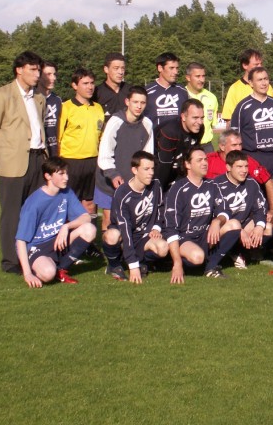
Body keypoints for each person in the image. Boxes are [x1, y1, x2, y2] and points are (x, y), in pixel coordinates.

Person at [0, 51, 47, 273]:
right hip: (13, 162)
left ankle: (32, 254)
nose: (37, 74)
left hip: (38, 160)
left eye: (38, 69)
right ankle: (11, 261)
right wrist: (2, 157)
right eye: (32, 69)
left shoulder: (39, 97)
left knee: (35, 210)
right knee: (12, 213)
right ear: (18, 70)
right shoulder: (1, 95)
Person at [15, 157, 97, 287]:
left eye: (66, 173)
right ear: (48, 176)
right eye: (61, 174)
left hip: (57, 241)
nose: (66, 178)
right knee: (48, 274)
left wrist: (66, 226)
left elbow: (86, 217)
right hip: (37, 247)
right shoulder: (34, 203)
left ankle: (61, 269)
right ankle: (46, 266)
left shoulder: (67, 192)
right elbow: (20, 240)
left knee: (90, 229)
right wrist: (27, 274)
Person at [212, 150, 273, 273]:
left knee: (268, 227)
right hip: (225, 227)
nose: (244, 170)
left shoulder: (251, 183)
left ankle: (248, 252)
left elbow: (260, 209)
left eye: (246, 166)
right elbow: (216, 216)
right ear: (228, 167)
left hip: (244, 224)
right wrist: (238, 231)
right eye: (239, 167)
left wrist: (259, 227)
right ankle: (230, 252)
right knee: (233, 226)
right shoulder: (216, 184)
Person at [163, 147, 233, 282]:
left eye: (205, 159)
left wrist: (217, 221)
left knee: (233, 225)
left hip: (205, 235)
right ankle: (177, 260)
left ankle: (211, 265)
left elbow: (225, 211)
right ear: (188, 164)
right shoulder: (178, 189)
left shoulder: (212, 184)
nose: (205, 163)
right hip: (185, 238)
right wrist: (177, 263)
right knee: (197, 257)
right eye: (199, 160)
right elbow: (171, 227)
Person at [101, 151, 168, 283]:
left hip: (143, 236)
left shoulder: (156, 185)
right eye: (146, 169)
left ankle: (142, 262)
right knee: (112, 235)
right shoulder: (122, 193)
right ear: (134, 170)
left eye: (152, 168)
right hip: (124, 235)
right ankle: (114, 265)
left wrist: (156, 227)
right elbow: (125, 229)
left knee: (163, 248)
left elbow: (161, 208)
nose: (151, 173)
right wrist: (133, 267)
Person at [96, 85, 154, 235]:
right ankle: (110, 255)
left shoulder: (147, 124)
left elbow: (148, 156)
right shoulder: (115, 121)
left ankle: (127, 253)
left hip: (131, 181)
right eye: (135, 102)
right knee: (109, 219)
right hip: (109, 179)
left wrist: (142, 177)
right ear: (127, 101)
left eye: (142, 103)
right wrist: (113, 174)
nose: (139, 106)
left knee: (130, 218)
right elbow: (104, 153)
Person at [57, 67, 104, 216]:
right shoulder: (65, 108)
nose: (90, 87)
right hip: (71, 162)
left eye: (92, 83)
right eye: (85, 83)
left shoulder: (98, 108)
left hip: (92, 162)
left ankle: (87, 239)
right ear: (75, 85)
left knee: (90, 204)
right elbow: (58, 138)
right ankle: (66, 237)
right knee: (69, 202)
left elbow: (101, 136)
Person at [231, 66, 273, 178]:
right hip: (254, 157)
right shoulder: (242, 106)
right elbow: (235, 134)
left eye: (266, 79)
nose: (264, 83)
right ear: (251, 83)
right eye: (259, 80)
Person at [154, 98, 204, 191]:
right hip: (160, 168)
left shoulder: (199, 128)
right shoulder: (170, 132)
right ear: (183, 117)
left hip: (178, 168)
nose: (200, 122)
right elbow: (164, 166)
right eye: (195, 118)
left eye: (202, 118)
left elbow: (191, 156)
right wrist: (158, 192)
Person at [221, 49, 273, 120]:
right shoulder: (235, 89)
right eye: (256, 64)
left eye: (261, 63)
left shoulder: (267, 87)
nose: (260, 67)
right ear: (245, 65)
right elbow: (229, 119)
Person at [145, 52, 189, 129]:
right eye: (171, 68)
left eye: (177, 68)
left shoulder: (182, 91)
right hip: (155, 140)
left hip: (178, 140)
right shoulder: (147, 92)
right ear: (160, 68)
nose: (176, 72)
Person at [184, 61, 220, 152]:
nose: (202, 80)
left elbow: (212, 125)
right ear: (188, 77)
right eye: (197, 76)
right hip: (186, 145)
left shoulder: (212, 97)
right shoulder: (181, 95)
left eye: (203, 76)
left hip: (207, 146)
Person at [37, 60, 62, 158]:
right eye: (48, 74)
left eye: (54, 74)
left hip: (54, 153)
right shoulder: (30, 98)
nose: (53, 78)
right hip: (37, 153)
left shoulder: (57, 100)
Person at [94, 52, 129, 123]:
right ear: (106, 69)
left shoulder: (130, 91)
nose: (120, 72)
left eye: (123, 68)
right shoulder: (96, 93)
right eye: (116, 68)